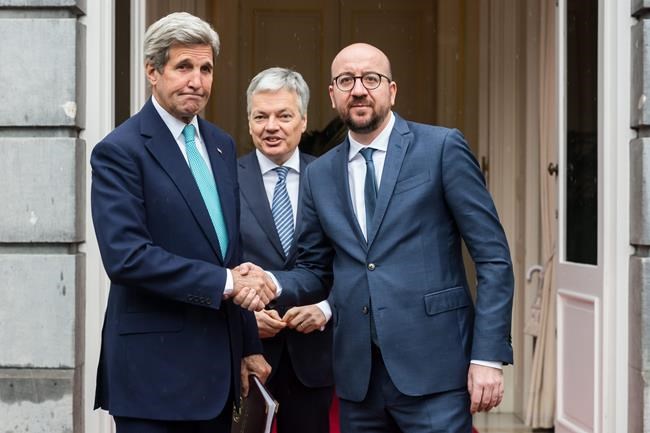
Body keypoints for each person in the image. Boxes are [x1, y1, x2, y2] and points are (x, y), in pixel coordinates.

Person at [259, 43, 515, 433]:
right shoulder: (320, 174)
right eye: (346, 80)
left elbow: (493, 258)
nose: (358, 89)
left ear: (391, 90)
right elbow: (315, 269)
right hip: (357, 380)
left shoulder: (440, 148)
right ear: (333, 94)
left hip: (436, 370)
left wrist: (487, 357)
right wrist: (269, 281)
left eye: (370, 79)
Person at [90, 12, 275, 433]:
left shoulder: (222, 145)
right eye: (184, 67)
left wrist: (247, 346)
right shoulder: (120, 151)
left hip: (218, 375)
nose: (197, 80)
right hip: (154, 379)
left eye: (205, 68)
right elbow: (127, 257)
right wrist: (228, 283)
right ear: (152, 72)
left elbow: (230, 252)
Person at [237, 67, 334, 433]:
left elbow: (352, 261)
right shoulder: (225, 181)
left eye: (284, 115)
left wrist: (326, 308)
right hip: (248, 356)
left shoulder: (329, 178)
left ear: (304, 120)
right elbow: (213, 265)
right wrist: (245, 324)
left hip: (313, 357)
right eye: (260, 116)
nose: (271, 126)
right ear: (249, 122)